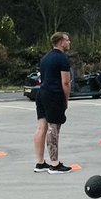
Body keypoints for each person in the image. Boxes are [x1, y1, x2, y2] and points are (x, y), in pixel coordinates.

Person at [33, 31, 73, 174]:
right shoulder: (62, 59)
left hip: (41, 93)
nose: (69, 43)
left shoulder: (45, 58)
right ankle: (54, 164)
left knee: (41, 128)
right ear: (61, 41)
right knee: (53, 128)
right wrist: (66, 99)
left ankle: (40, 162)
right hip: (53, 95)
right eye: (67, 40)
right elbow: (66, 82)